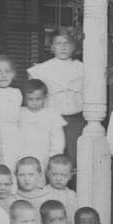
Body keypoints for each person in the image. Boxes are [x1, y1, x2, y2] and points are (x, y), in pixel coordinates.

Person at [27, 29, 84, 173]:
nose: (63, 47)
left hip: (75, 119)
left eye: (67, 43)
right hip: (50, 118)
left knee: (75, 157)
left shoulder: (83, 68)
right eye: (58, 43)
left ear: (74, 46)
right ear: (52, 46)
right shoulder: (42, 69)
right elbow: (33, 93)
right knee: (50, 154)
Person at [17, 79, 65, 175]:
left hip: (44, 155)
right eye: (30, 99)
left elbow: (58, 139)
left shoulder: (52, 115)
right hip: (23, 154)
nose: (34, 102)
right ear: (24, 98)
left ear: (45, 98)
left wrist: (54, 156)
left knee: (40, 178)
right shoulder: (19, 113)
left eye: (38, 99)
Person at [44, 155, 78, 220]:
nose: (59, 179)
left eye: (63, 175)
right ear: (48, 174)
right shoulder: (42, 192)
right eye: (54, 174)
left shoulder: (71, 195)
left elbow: (73, 215)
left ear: (70, 176)